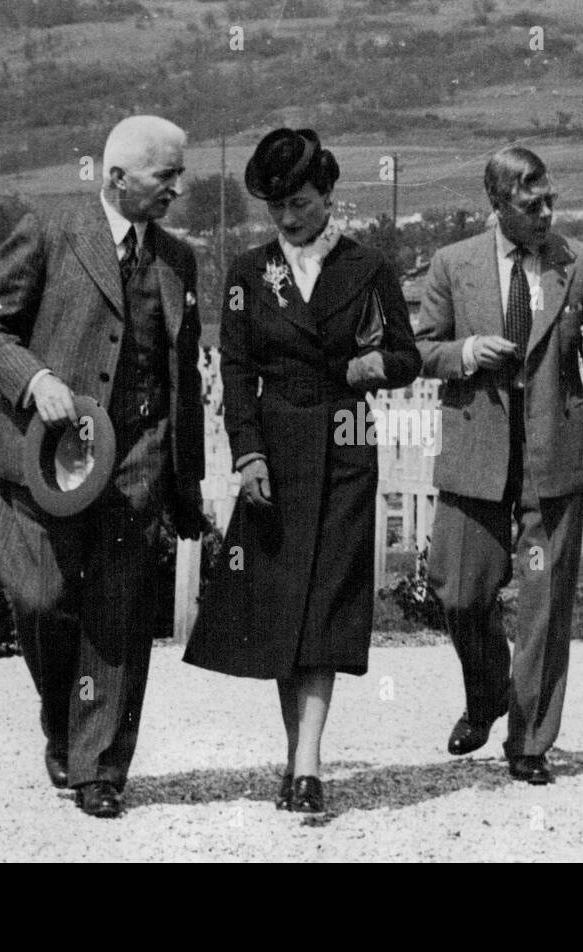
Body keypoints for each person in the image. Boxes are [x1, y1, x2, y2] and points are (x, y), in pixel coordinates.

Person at [0, 115, 205, 819]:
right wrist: (33, 380)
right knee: (39, 599)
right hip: (48, 460)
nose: (177, 190)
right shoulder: (48, 229)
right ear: (118, 178)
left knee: (120, 617)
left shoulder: (179, 260)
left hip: (137, 462)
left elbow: (179, 376)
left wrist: (181, 478)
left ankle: (100, 767)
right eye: (166, 177)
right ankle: (61, 724)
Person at [184, 128, 421, 815]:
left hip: (346, 446)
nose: (289, 218)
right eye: (278, 206)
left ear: (329, 195)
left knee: (326, 601)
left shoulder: (367, 269)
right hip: (277, 450)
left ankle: (309, 761)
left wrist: (367, 367)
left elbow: (405, 354)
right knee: (286, 604)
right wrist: (247, 452)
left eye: (303, 202)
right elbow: (234, 369)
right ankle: (299, 757)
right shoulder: (248, 275)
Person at [414, 146, 583, 785]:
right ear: (497, 205)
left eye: (552, 201)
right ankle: (487, 691)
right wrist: (470, 351)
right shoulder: (453, 264)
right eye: (532, 205)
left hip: (549, 458)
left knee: (544, 601)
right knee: (457, 589)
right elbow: (422, 349)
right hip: (477, 453)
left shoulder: (580, 263)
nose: (547, 213)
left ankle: (529, 741)